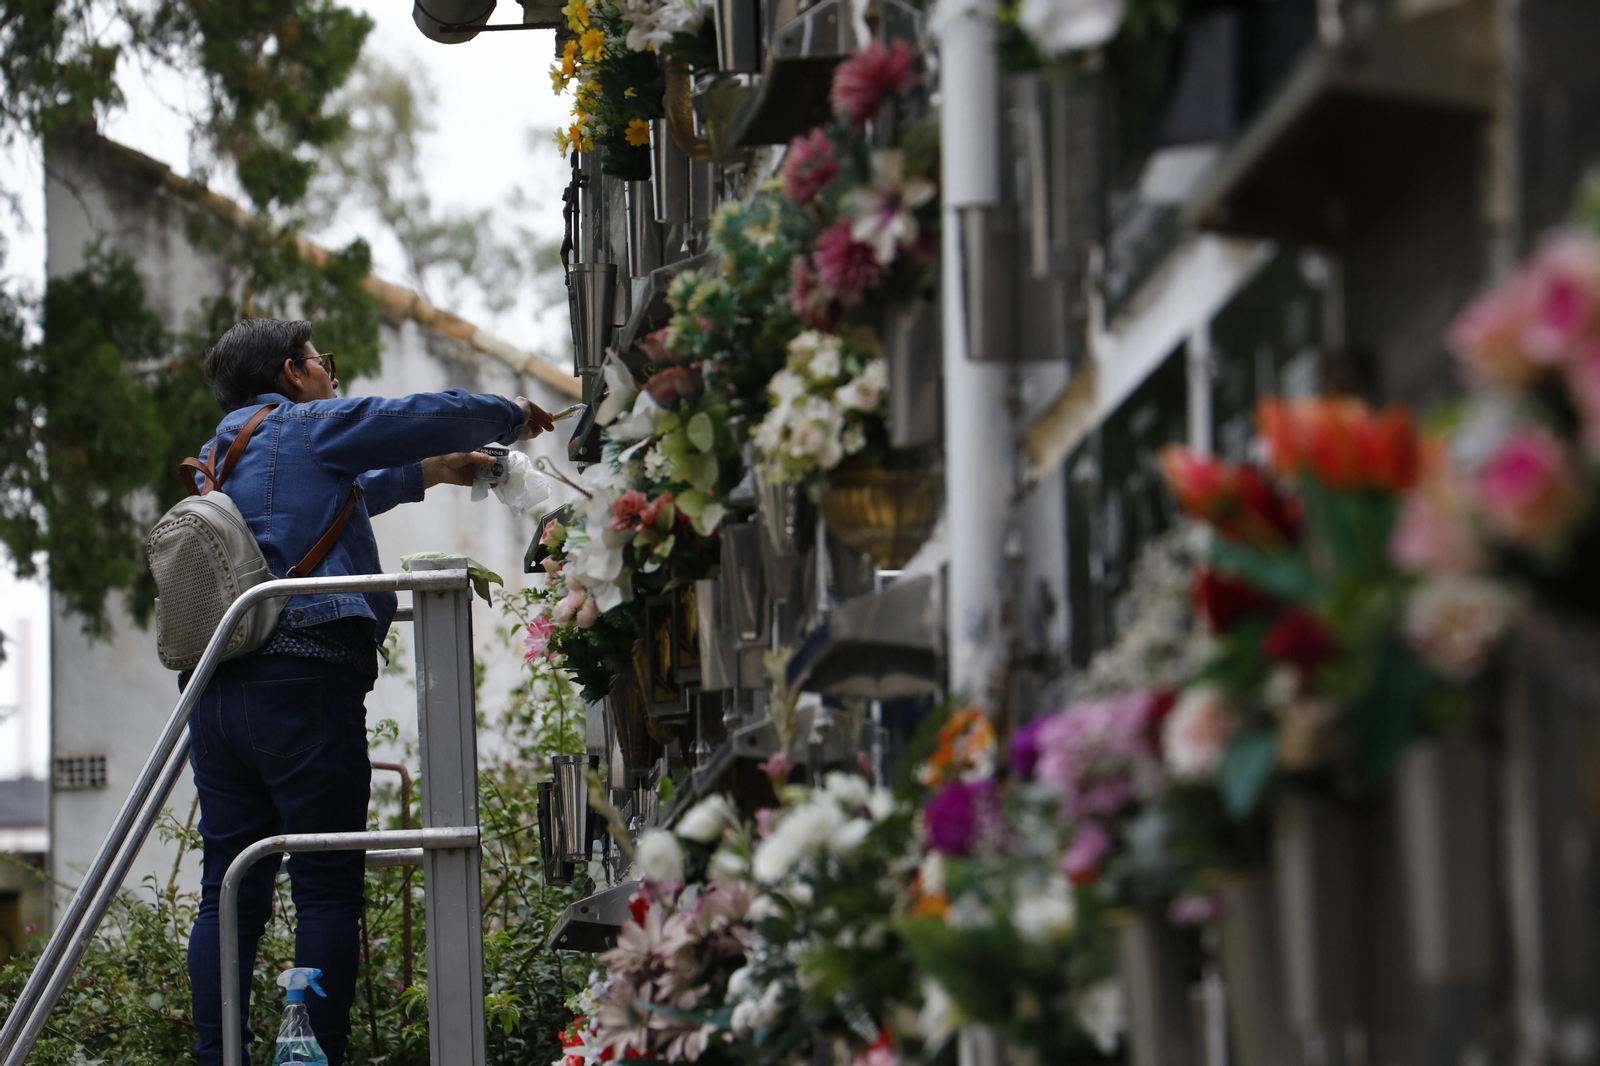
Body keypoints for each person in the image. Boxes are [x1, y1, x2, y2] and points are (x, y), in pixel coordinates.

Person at [181, 318, 556, 1066]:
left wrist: (435, 471)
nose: (332, 375)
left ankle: (216, 1054)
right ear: (293, 372)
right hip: (305, 681)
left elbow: (320, 500)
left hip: (218, 690)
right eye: (324, 362)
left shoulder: (223, 453)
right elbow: (412, 417)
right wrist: (508, 415)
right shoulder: (308, 423)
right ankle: (314, 1056)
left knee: (227, 886)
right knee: (325, 885)